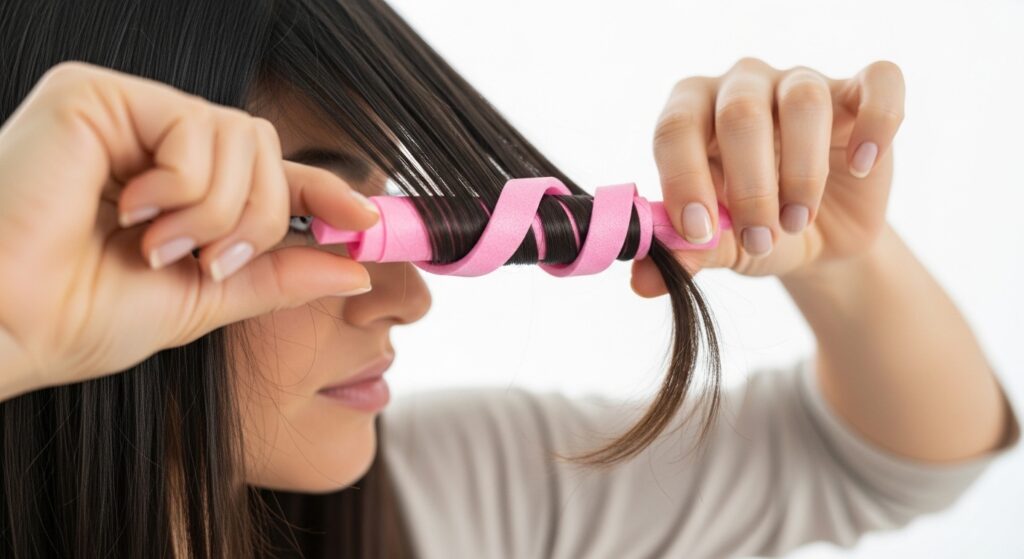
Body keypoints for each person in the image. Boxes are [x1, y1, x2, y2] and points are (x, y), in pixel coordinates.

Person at [0, 1, 1017, 557]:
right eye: (304, 218)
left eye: (383, 200)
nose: (407, 297)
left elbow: (894, 460)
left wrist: (844, 258)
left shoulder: (451, 501)